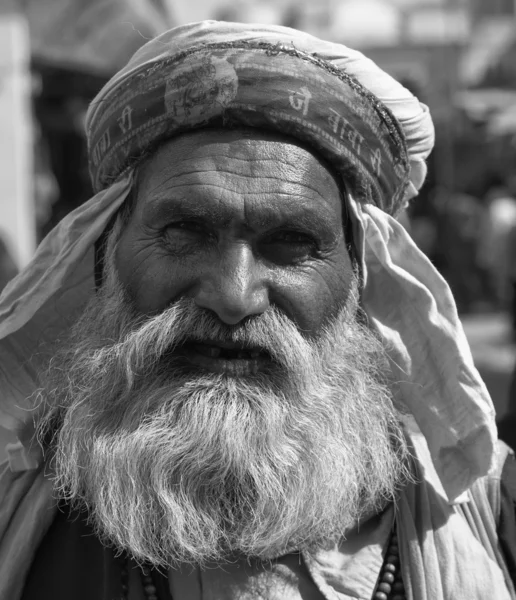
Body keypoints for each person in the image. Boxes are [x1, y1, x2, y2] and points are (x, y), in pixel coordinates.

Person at [0, 21, 515, 600]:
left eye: (292, 242)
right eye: (184, 230)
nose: (233, 295)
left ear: (361, 278)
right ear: (107, 258)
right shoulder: (20, 507)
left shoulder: (497, 512)